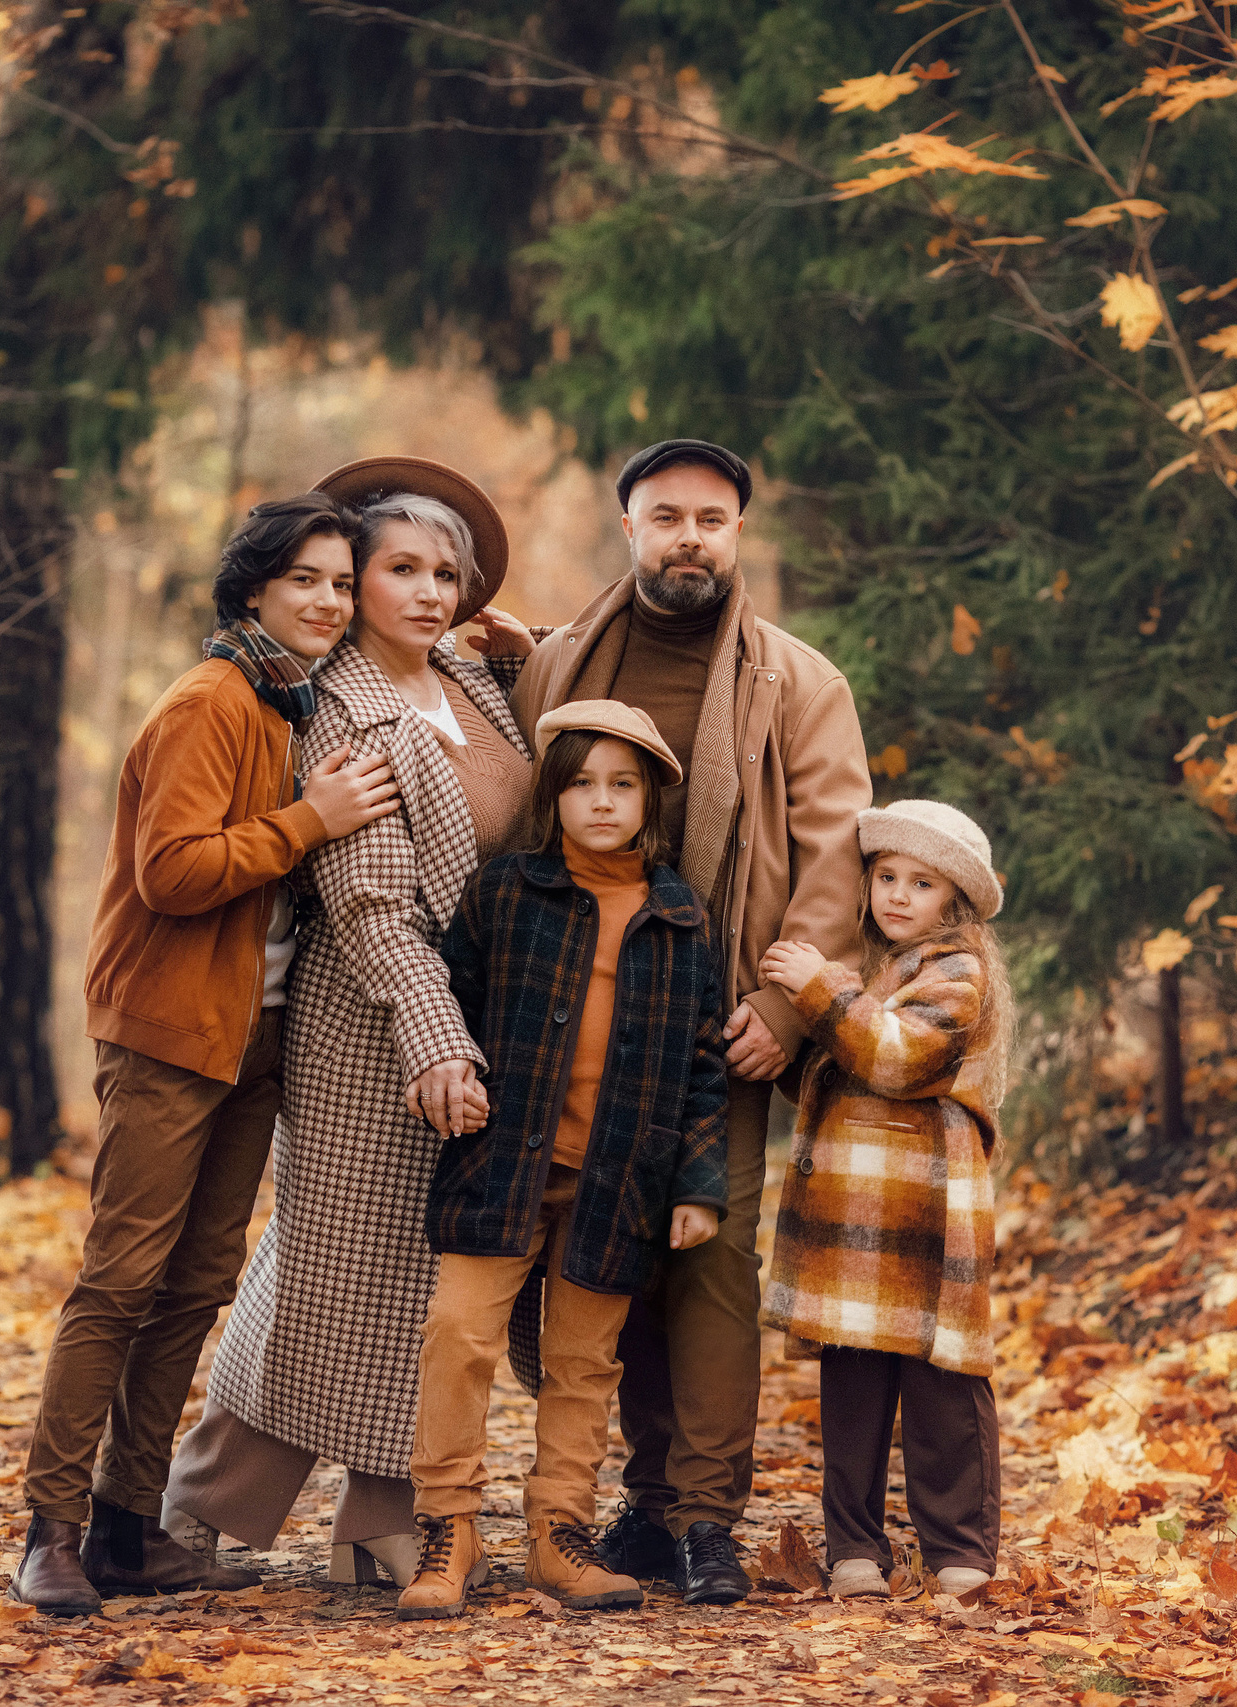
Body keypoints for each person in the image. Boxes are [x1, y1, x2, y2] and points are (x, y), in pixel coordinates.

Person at [14, 494, 406, 1614]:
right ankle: (49, 1528)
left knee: (195, 1285)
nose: (329, 602)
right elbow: (172, 873)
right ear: (251, 591)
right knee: (121, 1280)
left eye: (341, 582)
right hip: (168, 1031)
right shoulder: (213, 701)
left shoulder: (296, 702)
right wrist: (310, 821)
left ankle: (129, 1528)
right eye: (306, 582)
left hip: (257, 1033)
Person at [500, 438, 870, 1604]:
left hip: (722, 1026)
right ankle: (647, 1508)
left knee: (709, 1260)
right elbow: (516, 811)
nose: (690, 537)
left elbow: (835, 856)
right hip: (577, 1013)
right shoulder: (556, 665)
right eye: (667, 517)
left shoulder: (797, 683)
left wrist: (780, 1002)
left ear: (739, 534)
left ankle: (705, 1516)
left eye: (712, 518)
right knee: (608, 1253)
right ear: (629, 530)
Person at [160, 457, 539, 1589]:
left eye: (446, 574)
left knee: (418, 1279)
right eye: (401, 570)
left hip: (471, 1019)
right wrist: (432, 1037)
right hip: (367, 1024)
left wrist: (514, 652)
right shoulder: (340, 710)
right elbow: (370, 903)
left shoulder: (468, 686)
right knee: (332, 1271)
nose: (428, 592)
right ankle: (206, 1501)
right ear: (354, 582)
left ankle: (379, 1524)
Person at [398, 702, 731, 1620]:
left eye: (621, 785)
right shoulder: (507, 892)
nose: (600, 800)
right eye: (581, 782)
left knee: (585, 1363)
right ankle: (448, 1529)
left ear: (650, 801)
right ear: (553, 794)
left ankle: (559, 1533)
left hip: (618, 1178)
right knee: (459, 1335)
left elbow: (705, 1061)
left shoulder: (678, 915)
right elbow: (452, 998)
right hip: (499, 1165)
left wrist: (698, 1185)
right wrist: (452, 1071)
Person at [756, 798, 1015, 1599]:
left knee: (942, 1379)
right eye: (886, 876)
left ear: (956, 901)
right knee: (853, 1380)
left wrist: (818, 990)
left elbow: (898, 1055)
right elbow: (825, 1072)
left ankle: (958, 1545)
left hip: (926, 1210)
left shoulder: (958, 974)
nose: (898, 895)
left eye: (923, 883)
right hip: (850, 1210)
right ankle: (855, 1545)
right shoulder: (868, 968)